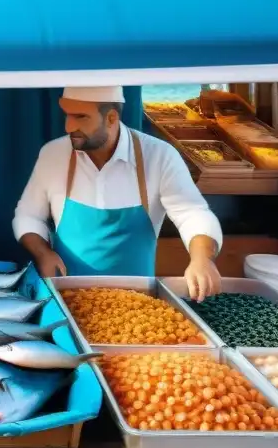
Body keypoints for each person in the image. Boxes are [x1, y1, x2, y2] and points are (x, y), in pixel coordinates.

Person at [13, 86, 223, 301]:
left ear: (111, 118)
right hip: (66, 299)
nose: (68, 126)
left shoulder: (160, 156)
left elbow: (193, 214)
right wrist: (43, 254)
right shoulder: (53, 154)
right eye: (67, 115)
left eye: (80, 117)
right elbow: (28, 215)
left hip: (137, 304)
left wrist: (202, 259)